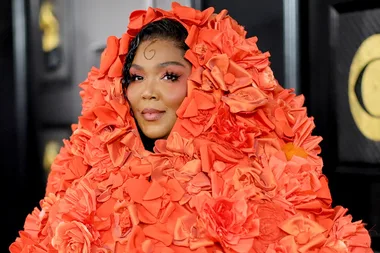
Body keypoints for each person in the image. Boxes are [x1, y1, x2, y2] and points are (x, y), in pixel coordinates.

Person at [10, 2, 374, 252]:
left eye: (169, 75)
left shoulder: (262, 179)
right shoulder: (91, 181)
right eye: (136, 78)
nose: (147, 93)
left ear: (210, 83)